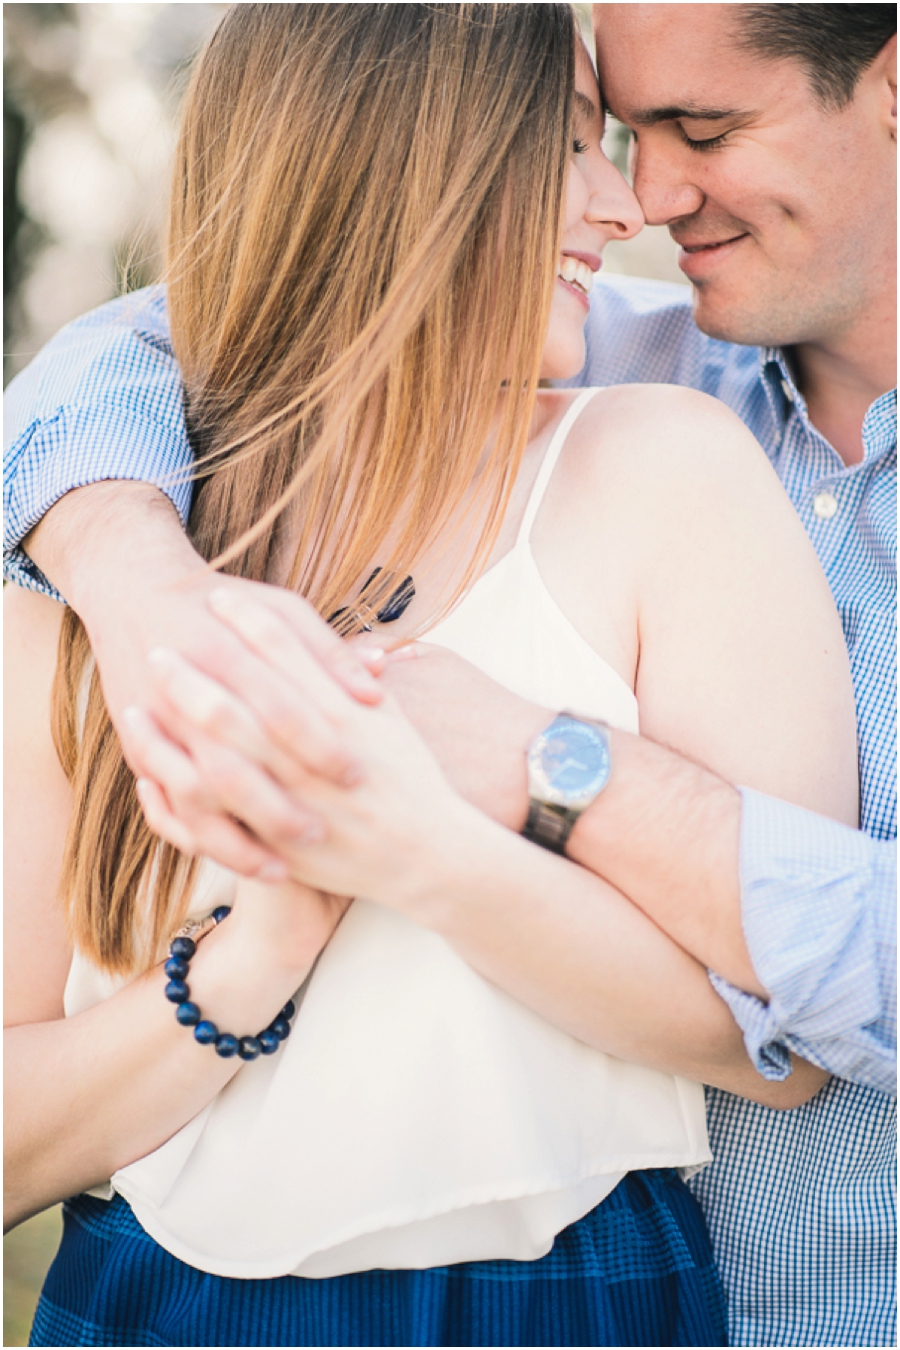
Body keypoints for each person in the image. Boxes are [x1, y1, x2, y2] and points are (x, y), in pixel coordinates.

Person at [3, 2, 894, 1346]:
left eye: (699, 130)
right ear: (419, 167)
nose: (637, 201)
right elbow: (215, 318)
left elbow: (778, 1037)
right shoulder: (105, 519)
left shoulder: (656, 452)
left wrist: (512, 784)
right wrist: (144, 591)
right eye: (598, 142)